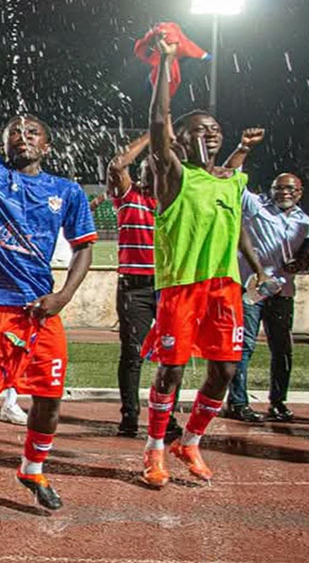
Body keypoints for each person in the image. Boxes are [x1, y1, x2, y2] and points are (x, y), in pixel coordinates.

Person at [0, 13, 97, 514]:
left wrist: (64, 296)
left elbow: (85, 246)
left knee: (50, 400)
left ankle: (32, 469)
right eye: (14, 131)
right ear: (3, 143)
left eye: (31, 131)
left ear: (46, 145)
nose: (22, 136)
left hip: (41, 310)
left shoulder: (66, 191)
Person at [136, 33, 269, 489]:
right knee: (170, 369)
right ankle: (154, 449)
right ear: (180, 137)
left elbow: (237, 231)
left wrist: (258, 271)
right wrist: (166, 68)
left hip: (225, 286)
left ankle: (189, 441)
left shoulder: (231, 180)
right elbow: (158, 123)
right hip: (181, 285)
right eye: (198, 127)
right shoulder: (173, 175)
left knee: (226, 371)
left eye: (214, 128)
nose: (208, 132)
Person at [220, 170, 309, 422]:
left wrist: (303, 264)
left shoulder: (306, 222)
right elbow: (235, 179)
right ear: (271, 189)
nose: (285, 193)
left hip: (282, 290)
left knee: (282, 347)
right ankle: (237, 402)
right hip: (251, 288)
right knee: (244, 345)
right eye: (280, 188)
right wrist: (243, 150)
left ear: (300, 192)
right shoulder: (256, 206)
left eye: (291, 189)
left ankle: (278, 402)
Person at [106, 134, 181, 438]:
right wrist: (153, 134)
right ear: (141, 172)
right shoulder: (128, 195)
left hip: (168, 287)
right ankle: (130, 416)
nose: (154, 172)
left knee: (173, 355)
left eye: (160, 168)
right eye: (149, 167)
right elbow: (116, 165)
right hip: (134, 289)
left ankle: (168, 416)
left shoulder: (172, 202)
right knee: (133, 353)